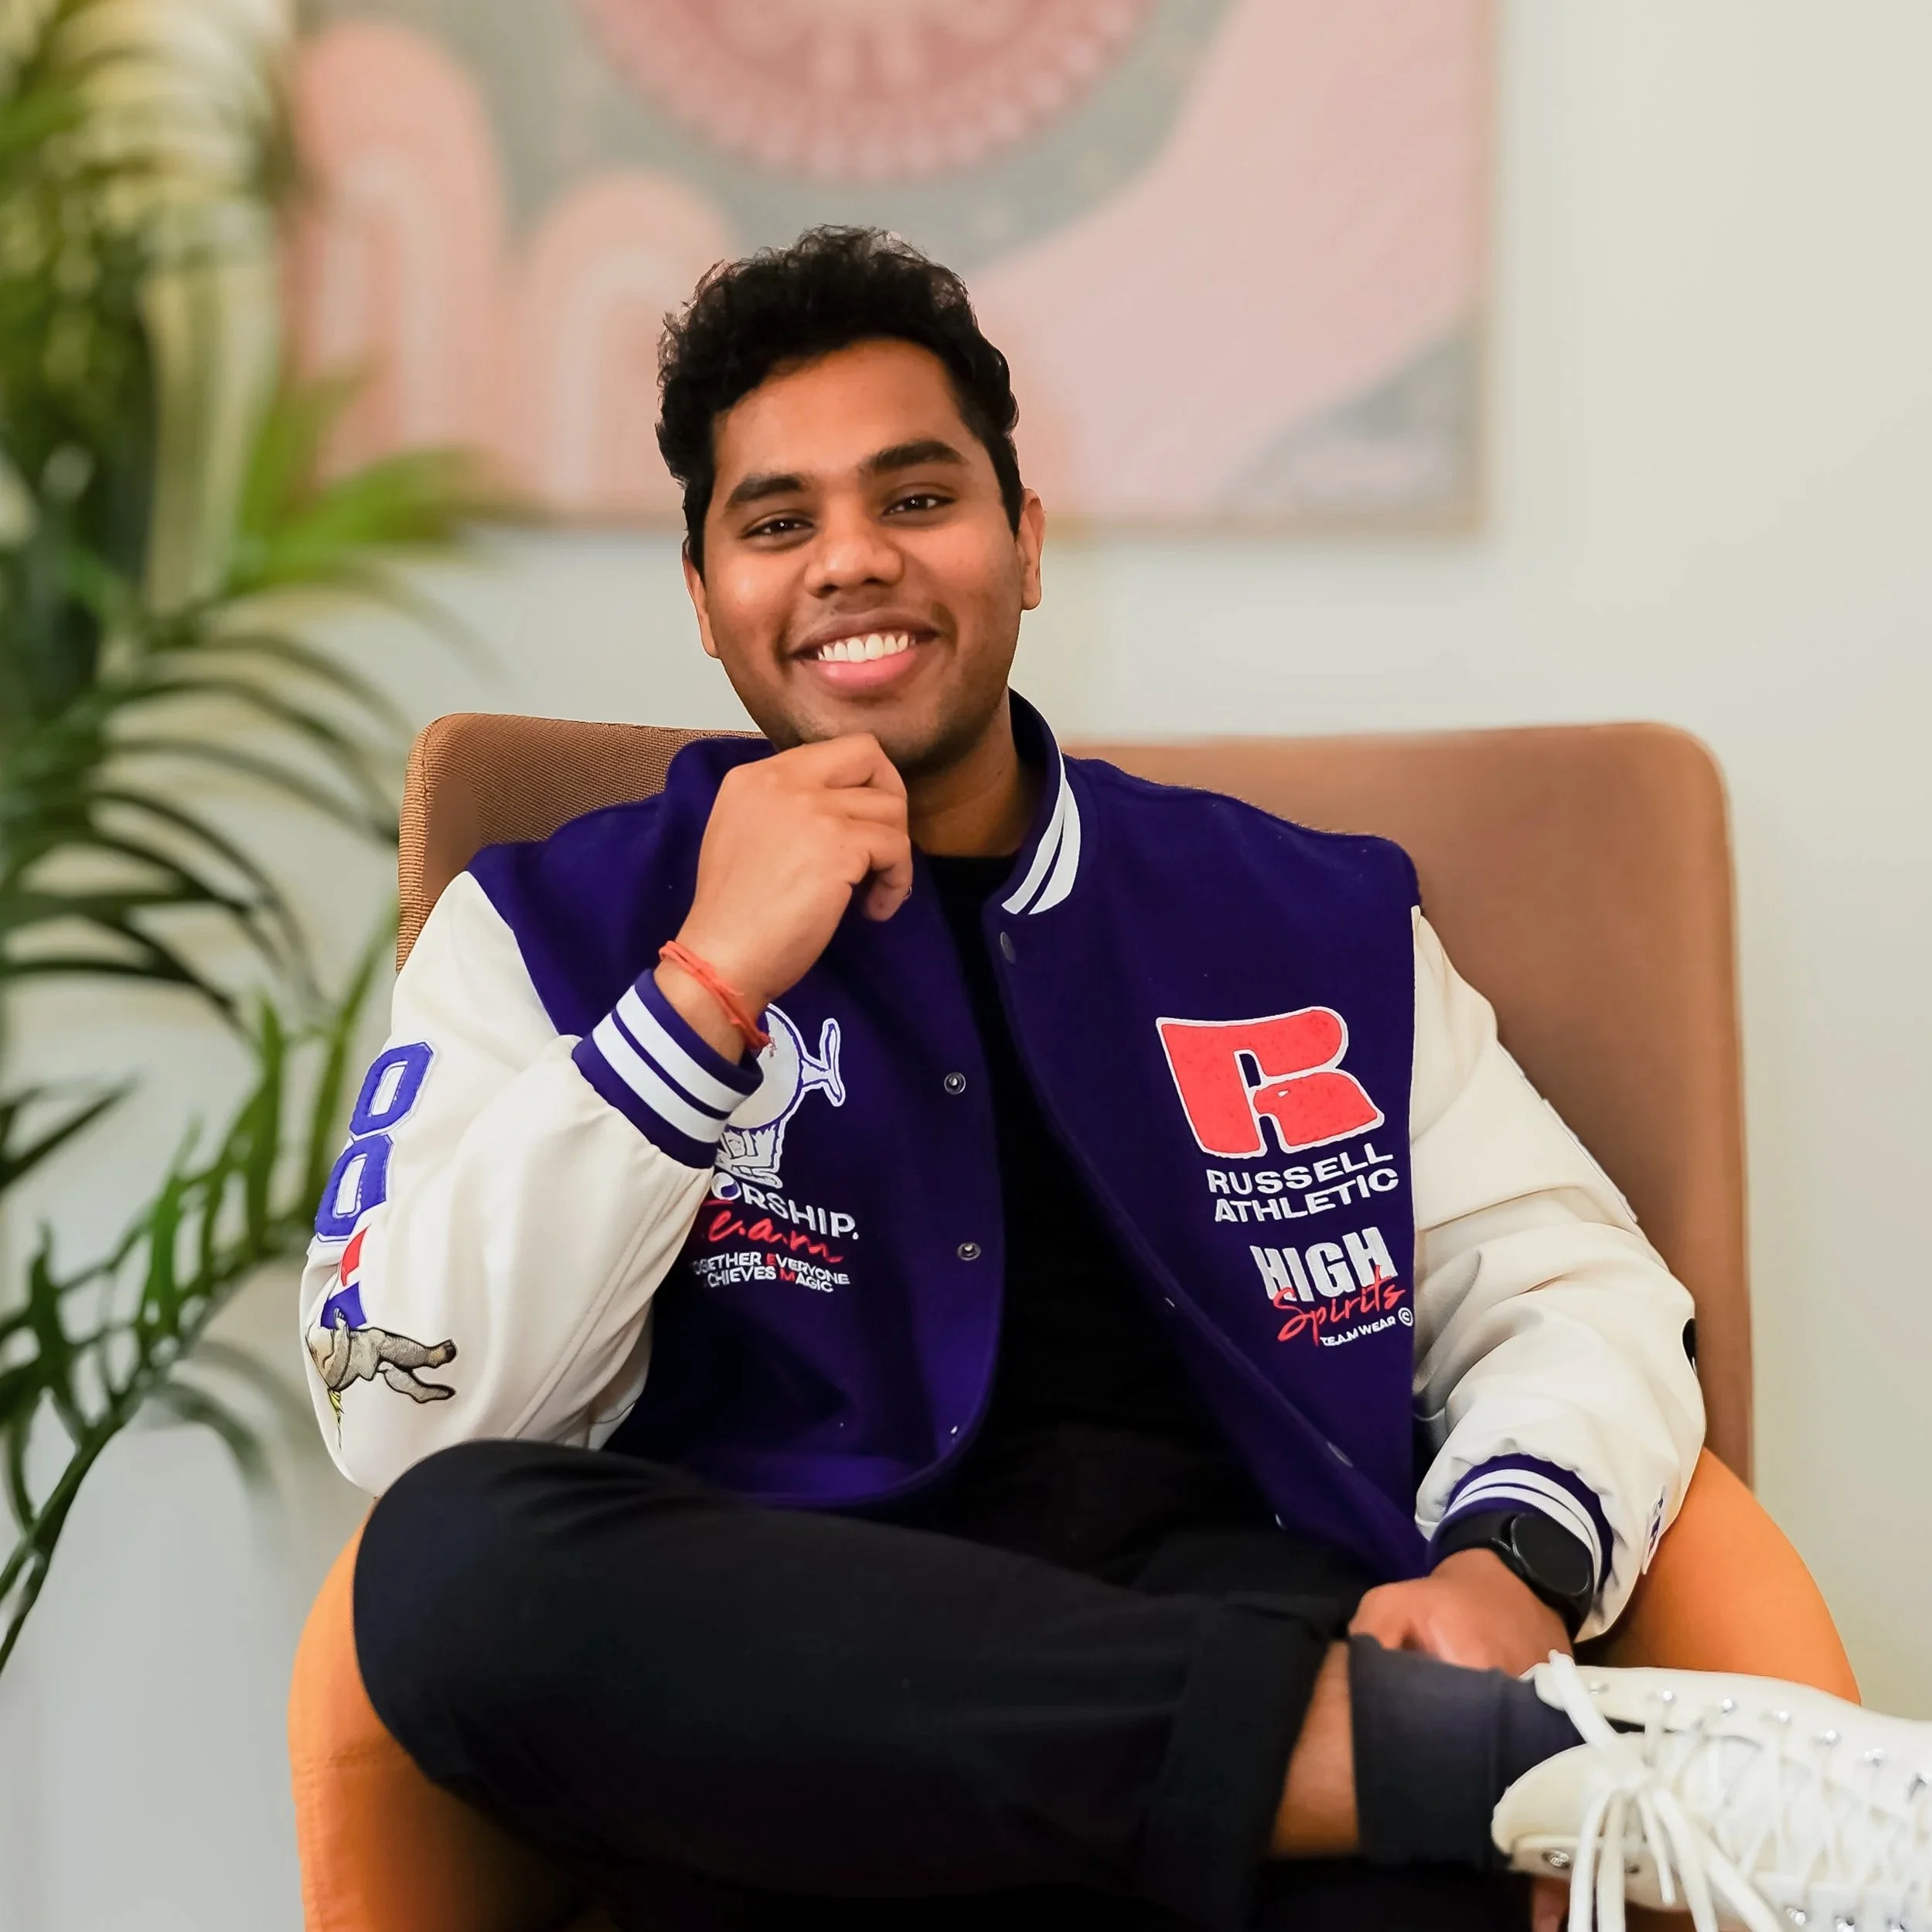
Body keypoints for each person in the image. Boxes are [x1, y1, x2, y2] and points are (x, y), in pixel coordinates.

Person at [302, 229, 1930, 1932]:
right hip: (796, 1707)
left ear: (1023, 543)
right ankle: (1470, 1768)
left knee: (1401, 1891)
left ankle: (1384, 1764)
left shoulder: (1300, 917)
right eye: (777, 523)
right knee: (450, 1565)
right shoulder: (551, 928)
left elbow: (1560, 1281)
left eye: (915, 498)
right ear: (707, 604)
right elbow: (403, 1404)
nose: (850, 560)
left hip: (1254, 1669)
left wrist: (1502, 1559)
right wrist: (703, 990)